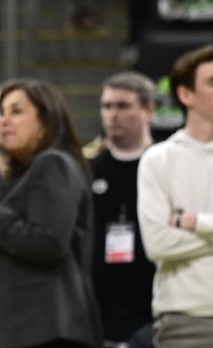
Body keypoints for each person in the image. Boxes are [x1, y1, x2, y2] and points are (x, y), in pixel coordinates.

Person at [0, 79, 102, 348]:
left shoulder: (53, 164)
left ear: (45, 120)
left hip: (47, 329)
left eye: (17, 111)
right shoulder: (21, 174)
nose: (5, 120)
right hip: (23, 330)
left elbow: (49, 242)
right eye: (1, 112)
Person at [138, 44, 213, 346]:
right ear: (185, 95)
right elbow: (157, 244)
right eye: (212, 82)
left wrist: (195, 222)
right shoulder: (158, 159)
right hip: (183, 319)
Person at [88, 72, 156, 346]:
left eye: (123, 106)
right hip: (100, 307)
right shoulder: (89, 169)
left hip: (152, 303)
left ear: (147, 110)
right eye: (107, 106)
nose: (112, 115)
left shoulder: (163, 164)